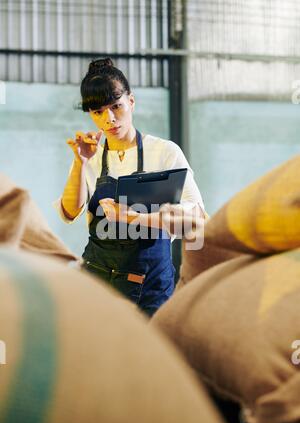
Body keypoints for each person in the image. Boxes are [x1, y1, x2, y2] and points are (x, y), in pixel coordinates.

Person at [54, 57, 205, 317]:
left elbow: (197, 218)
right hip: (99, 284)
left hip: (152, 288)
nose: (109, 119)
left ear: (131, 102)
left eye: (116, 106)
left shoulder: (165, 152)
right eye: (98, 112)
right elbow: (69, 213)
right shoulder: (90, 154)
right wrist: (80, 163)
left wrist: (135, 217)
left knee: (150, 356)